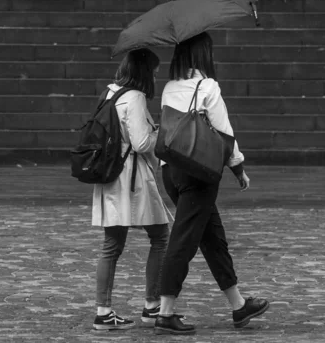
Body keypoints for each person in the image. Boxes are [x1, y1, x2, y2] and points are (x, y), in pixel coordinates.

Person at [154, 32, 269, 335]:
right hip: (198, 174)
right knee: (183, 241)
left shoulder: (169, 88)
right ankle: (165, 312)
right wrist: (238, 170)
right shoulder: (208, 87)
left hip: (171, 173)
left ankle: (238, 306)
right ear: (203, 55)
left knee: (212, 238)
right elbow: (224, 134)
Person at [91, 49, 173, 330]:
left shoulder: (110, 93)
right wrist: (158, 133)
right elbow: (140, 143)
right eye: (154, 70)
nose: (156, 75)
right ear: (144, 71)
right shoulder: (135, 98)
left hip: (110, 176)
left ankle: (104, 310)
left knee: (111, 245)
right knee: (161, 236)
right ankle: (152, 306)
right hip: (131, 179)